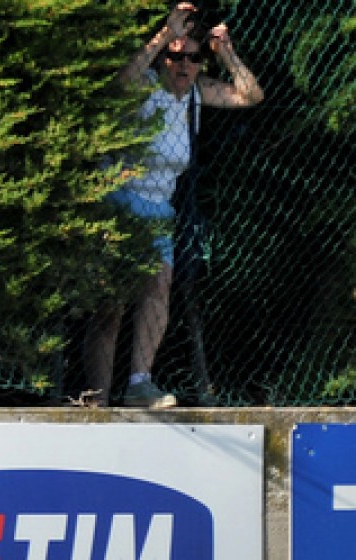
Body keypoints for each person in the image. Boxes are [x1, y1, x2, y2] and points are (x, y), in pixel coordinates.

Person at [84, 2, 263, 408]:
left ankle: (139, 384)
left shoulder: (196, 96)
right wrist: (163, 36)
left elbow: (250, 94)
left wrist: (227, 53)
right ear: (164, 59)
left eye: (193, 58)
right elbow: (119, 84)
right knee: (110, 303)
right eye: (176, 57)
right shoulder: (146, 86)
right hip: (119, 198)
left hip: (159, 207)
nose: (183, 66)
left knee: (158, 287)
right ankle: (96, 398)